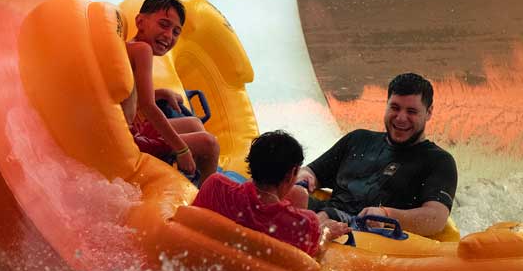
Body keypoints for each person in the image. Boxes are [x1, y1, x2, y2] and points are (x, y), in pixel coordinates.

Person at [295, 73, 457, 237]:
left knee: (324, 216)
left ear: (429, 112)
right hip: (329, 215)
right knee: (289, 192)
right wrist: (306, 177)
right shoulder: (358, 140)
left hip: (370, 236)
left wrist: (387, 214)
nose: (401, 118)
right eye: (395, 108)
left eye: (411, 111)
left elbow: (436, 218)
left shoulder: (439, 161)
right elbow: (310, 171)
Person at [192, 130, 351, 256]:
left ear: (251, 163)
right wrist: (327, 232)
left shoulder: (216, 186)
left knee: (299, 194)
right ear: (291, 174)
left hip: (208, 260)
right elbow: (309, 259)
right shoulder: (304, 224)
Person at [122, 0, 220, 185]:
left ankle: (195, 180)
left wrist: (162, 93)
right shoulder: (143, 51)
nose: (169, 35)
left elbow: (130, 97)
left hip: (133, 132)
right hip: (131, 141)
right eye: (164, 25)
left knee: (193, 123)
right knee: (210, 143)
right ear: (140, 21)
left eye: (176, 31)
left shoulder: (131, 47)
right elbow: (148, 106)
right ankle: (206, 195)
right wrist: (181, 149)